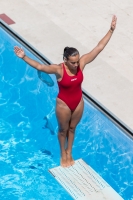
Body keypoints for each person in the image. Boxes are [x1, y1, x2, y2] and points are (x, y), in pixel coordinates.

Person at [14, 15, 117, 168]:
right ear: (65, 60)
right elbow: (41, 67)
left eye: (77, 61)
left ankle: (69, 151)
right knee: (63, 130)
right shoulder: (59, 69)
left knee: (72, 128)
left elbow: (98, 48)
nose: (76, 65)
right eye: (73, 62)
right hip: (64, 104)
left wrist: (111, 30)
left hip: (78, 102)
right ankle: (63, 153)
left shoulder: (81, 64)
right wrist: (24, 57)